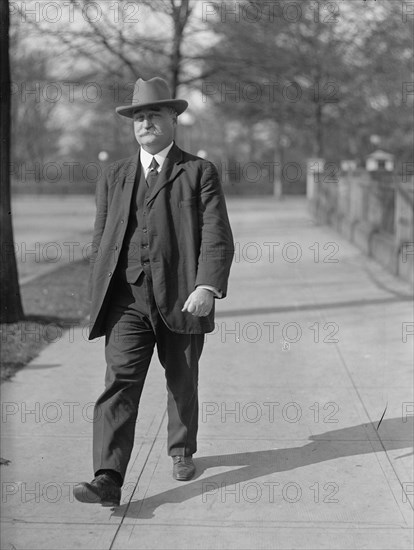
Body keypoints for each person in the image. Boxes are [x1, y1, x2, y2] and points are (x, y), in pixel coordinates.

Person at [73, 77, 234, 507]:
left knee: (181, 378)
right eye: (138, 117)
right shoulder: (114, 175)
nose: (145, 123)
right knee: (119, 382)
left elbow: (216, 235)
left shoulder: (198, 171)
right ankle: (107, 475)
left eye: (154, 115)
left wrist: (206, 285)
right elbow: (101, 239)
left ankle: (182, 449)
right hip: (126, 299)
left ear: (173, 120)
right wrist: (97, 293)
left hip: (183, 295)